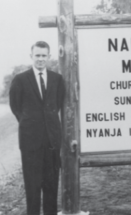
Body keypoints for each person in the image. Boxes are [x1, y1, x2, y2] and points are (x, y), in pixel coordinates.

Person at [9, 41, 64, 215]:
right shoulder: (20, 79)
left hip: (52, 142)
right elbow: (15, 106)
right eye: (37, 55)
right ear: (31, 56)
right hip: (30, 142)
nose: (40, 59)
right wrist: (29, 123)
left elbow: (58, 104)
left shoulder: (57, 79)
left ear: (49, 56)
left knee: (51, 185)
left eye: (44, 55)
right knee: (32, 186)